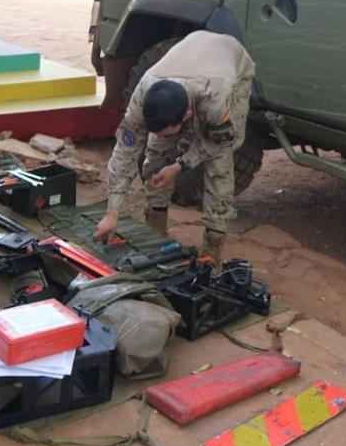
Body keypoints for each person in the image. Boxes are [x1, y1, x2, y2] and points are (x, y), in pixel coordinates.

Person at [93, 31, 256, 269]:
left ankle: (212, 250)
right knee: (156, 152)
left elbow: (222, 142)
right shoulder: (144, 92)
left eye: (167, 131)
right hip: (192, 54)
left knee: (219, 166)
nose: (161, 137)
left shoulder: (217, 100)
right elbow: (124, 152)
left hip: (230, 63)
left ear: (187, 115)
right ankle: (156, 229)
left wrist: (180, 166)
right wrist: (112, 211)